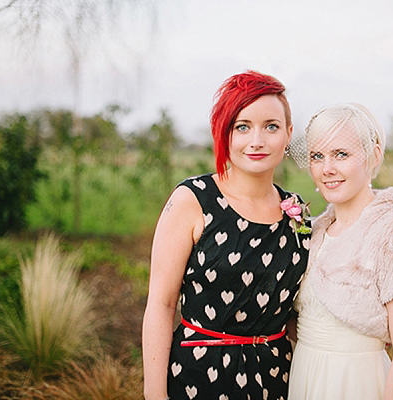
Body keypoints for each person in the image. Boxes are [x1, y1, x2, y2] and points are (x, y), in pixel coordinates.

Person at [142, 71, 310, 400]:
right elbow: (161, 305)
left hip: (276, 379)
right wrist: (154, 394)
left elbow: (299, 309)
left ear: (288, 134)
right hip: (199, 377)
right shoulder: (193, 200)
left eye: (271, 126)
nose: (257, 140)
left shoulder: (298, 212)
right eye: (242, 126)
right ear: (224, 132)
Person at [287, 103, 393, 400]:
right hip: (304, 378)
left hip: (357, 383)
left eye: (341, 154)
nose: (327, 168)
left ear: (374, 156)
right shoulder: (313, 232)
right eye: (318, 156)